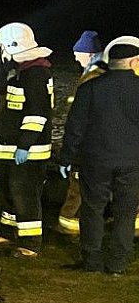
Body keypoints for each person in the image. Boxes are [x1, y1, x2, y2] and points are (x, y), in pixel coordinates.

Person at [58, 36, 139, 275]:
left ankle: (92, 261)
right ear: (134, 62)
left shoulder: (90, 88)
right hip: (133, 163)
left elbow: (75, 127)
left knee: (92, 210)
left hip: (95, 161)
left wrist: (66, 158)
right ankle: (118, 264)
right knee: (126, 213)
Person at [0, 22, 54, 257]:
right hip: (12, 146)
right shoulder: (21, 72)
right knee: (8, 191)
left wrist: (25, 145)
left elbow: (37, 114)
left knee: (24, 195)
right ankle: (8, 233)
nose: (1, 54)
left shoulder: (35, 74)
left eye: (3, 49)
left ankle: (30, 244)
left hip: (28, 149)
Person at [57, 30, 109, 235]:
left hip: (88, 143)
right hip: (101, 143)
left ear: (88, 53)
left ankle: (70, 225)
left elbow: (82, 117)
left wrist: (70, 151)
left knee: (78, 186)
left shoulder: (93, 77)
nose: (74, 57)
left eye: (77, 53)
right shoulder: (99, 73)